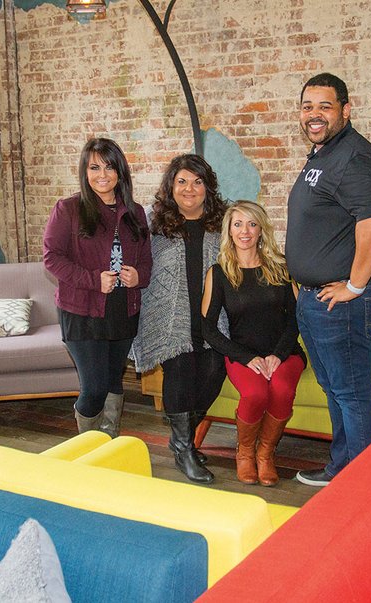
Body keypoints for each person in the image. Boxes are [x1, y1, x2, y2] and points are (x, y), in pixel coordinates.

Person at [285, 73, 371, 487]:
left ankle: (366, 485)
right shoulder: (323, 154)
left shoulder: (355, 156)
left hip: (342, 303)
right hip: (315, 299)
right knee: (334, 388)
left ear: (346, 110)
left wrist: (355, 287)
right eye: (308, 106)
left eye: (325, 106)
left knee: (350, 391)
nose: (315, 114)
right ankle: (342, 469)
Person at [43, 138, 151, 437]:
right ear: (84, 171)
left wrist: (138, 277)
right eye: (94, 167)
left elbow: (146, 261)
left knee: (115, 381)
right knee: (94, 388)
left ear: (120, 172)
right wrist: (93, 279)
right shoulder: (68, 209)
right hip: (82, 312)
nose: (102, 174)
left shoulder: (136, 212)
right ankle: (88, 446)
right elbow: (52, 258)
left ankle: (109, 442)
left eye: (109, 166)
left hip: (123, 310)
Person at [132, 154, 228, 484]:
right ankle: (185, 449)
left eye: (197, 182)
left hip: (213, 316)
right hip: (168, 316)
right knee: (182, 372)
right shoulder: (153, 222)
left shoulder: (223, 222)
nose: (189, 189)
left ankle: (180, 437)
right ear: (171, 186)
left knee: (215, 372)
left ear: (207, 188)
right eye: (182, 181)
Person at [202, 201, 305, 486]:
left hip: (283, 353)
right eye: (238, 224)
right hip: (242, 354)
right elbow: (206, 328)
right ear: (229, 231)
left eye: (251, 224)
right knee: (256, 394)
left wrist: (278, 354)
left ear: (261, 230)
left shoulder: (280, 267)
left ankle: (265, 454)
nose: (244, 231)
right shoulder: (219, 273)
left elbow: (297, 317)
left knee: (282, 389)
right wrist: (245, 357)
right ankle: (245, 453)